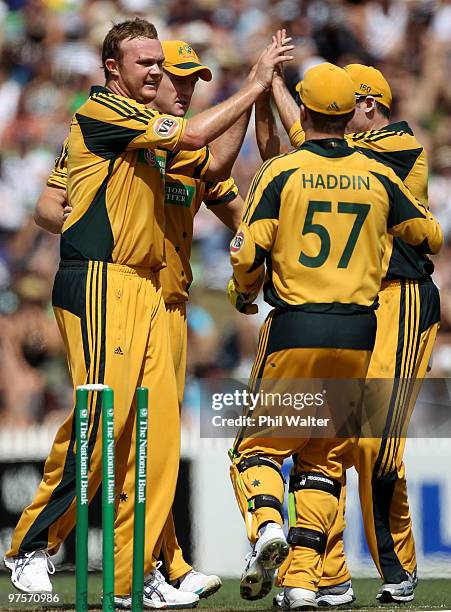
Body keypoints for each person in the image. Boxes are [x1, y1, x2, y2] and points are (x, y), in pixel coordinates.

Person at [4, 18, 293, 608]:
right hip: (103, 282)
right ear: (115, 69)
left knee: (156, 439)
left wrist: (253, 94)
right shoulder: (103, 113)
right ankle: (31, 548)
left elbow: (209, 169)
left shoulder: (157, 143)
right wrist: (91, 232)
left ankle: (146, 570)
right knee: (102, 417)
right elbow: (47, 207)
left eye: (176, 72)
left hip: (155, 294)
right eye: (158, 70)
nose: (171, 81)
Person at [227, 62, 442, 610]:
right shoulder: (374, 173)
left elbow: (252, 246)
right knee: (325, 460)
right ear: (348, 112)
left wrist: (244, 291)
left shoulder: (391, 149)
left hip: (324, 316)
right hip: (363, 321)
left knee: (262, 449)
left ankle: (271, 528)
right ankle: (311, 577)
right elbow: (430, 233)